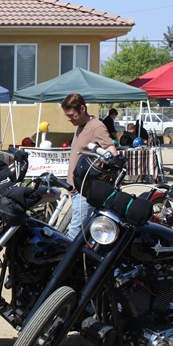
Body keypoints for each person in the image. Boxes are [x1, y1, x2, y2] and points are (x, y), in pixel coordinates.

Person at [62, 93, 117, 240]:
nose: (69, 119)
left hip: (85, 192)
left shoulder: (96, 127)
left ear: (82, 109)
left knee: (75, 234)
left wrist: (108, 160)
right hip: (75, 190)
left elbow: (111, 151)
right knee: (81, 234)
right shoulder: (80, 126)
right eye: (67, 116)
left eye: (72, 115)